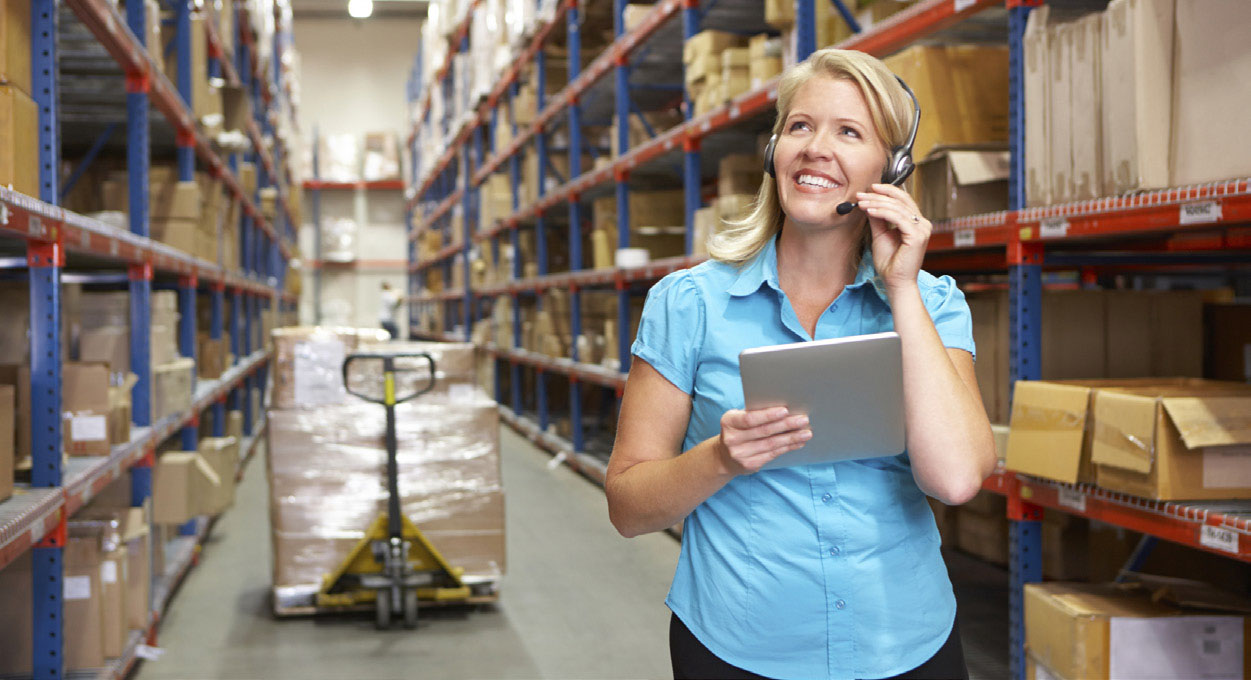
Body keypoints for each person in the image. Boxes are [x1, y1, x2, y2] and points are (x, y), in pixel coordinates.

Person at [605, 48, 996, 680]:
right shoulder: (689, 304)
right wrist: (723, 458)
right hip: (736, 649)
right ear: (774, 152)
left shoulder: (931, 304)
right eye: (800, 126)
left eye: (849, 132)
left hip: (905, 646)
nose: (816, 147)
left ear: (890, 170)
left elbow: (954, 479)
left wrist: (901, 290)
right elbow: (627, 507)